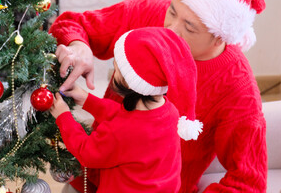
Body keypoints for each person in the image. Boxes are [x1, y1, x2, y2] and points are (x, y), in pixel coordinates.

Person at [49, 0, 268, 192]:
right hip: (85, 178)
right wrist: (78, 45)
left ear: (218, 38)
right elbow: (71, 24)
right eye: (173, 12)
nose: (171, 29)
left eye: (189, 27)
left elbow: (248, 183)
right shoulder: (150, 13)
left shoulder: (238, 88)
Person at [50, 27, 202, 193]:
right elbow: (122, 115)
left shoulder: (121, 131)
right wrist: (87, 99)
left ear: (130, 81)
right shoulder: (169, 111)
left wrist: (63, 116)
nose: (111, 73)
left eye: (116, 69)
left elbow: (86, 152)